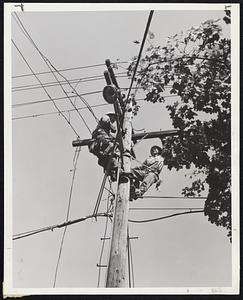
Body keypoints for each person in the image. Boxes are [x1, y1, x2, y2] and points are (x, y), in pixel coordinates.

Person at [88, 112, 119, 181]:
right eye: (114, 118)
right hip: (100, 140)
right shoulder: (106, 117)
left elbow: (110, 136)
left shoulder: (106, 131)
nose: (114, 120)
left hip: (98, 143)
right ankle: (105, 157)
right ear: (111, 116)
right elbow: (105, 120)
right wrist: (112, 126)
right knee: (112, 146)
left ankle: (111, 170)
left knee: (111, 156)